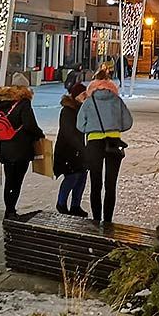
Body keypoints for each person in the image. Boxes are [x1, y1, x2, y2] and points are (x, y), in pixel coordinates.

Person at [76, 69, 133, 223]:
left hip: (94, 143)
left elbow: (80, 125)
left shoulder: (89, 101)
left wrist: (92, 127)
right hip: (113, 143)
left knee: (96, 183)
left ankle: (96, 219)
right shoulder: (117, 100)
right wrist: (114, 126)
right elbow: (128, 122)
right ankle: (107, 220)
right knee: (110, 184)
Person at [0, 72, 45, 219]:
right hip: (21, 148)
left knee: (9, 180)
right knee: (17, 181)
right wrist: (40, 135)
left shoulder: (0, 103)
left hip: (5, 148)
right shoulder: (23, 102)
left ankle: (8, 210)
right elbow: (30, 125)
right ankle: (11, 211)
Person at [54, 82, 89, 217]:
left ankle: (76, 205)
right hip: (67, 151)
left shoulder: (81, 109)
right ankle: (61, 203)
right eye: (82, 94)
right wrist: (80, 147)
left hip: (80, 150)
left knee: (82, 177)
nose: (85, 97)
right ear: (75, 96)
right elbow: (68, 133)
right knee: (72, 177)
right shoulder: (67, 110)